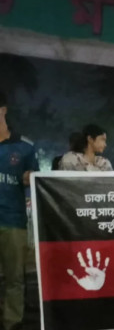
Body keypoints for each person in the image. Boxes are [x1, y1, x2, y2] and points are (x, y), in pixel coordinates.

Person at [0, 92, 39, 330]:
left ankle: (12, 323)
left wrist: (30, 178)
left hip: (12, 221)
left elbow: (35, 180)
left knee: (14, 278)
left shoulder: (24, 147)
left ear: (3, 110)